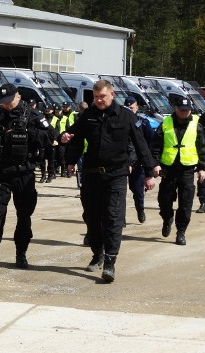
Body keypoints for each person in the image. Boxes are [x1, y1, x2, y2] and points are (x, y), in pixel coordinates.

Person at [61, 80, 156, 282]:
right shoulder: (89, 115)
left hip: (116, 175)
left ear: (112, 95)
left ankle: (110, 262)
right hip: (91, 174)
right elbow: (74, 135)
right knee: (92, 217)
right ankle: (98, 254)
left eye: (102, 96)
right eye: (95, 97)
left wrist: (149, 172)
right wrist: (69, 156)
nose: (99, 100)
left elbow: (141, 144)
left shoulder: (126, 116)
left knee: (113, 217)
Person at [0, 83, 54, 272]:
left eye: (10, 101)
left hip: (24, 174)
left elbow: (50, 136)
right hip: (0, 174)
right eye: (4, 102)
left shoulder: (33, 115)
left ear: (18, 96)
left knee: (24, 217)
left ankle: (21, 253)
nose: (7, 105)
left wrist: (27, 132)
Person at [150, 97, 205, 246]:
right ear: (175, 109)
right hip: (168, 169)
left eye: (187, 110)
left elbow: (203, 147)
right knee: (164, 201)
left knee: (185, 203)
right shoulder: (166, 123)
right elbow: (156, 146)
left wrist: (203, 168)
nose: (185, 113)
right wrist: (155, 164)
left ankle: (181, 232)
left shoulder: (196, 124)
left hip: (187, 170)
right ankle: (167, 218)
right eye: (182, 110)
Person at [124, 96, 155, 223]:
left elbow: (149, 144)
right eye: (127, 108)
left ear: (137, 108)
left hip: (137, 162)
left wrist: (149, 164)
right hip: (122, 162)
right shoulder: (119, 121)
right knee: (119, 192)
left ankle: (140, 210)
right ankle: (121, 218)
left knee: (137, 190)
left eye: (132, 108)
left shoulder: (143, 123)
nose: (130, 110)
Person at [39, 103, 57, 183]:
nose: (46, 111)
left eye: (48, 110)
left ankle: (50, 175)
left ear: (52, 110)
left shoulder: (55, 119)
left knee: (51, 160)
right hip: (42, 141)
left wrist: (55, 140)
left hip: (51, 141)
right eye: (45, 110)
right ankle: (43, 175)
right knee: (42, 159)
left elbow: (57, 131)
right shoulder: (41, 118)